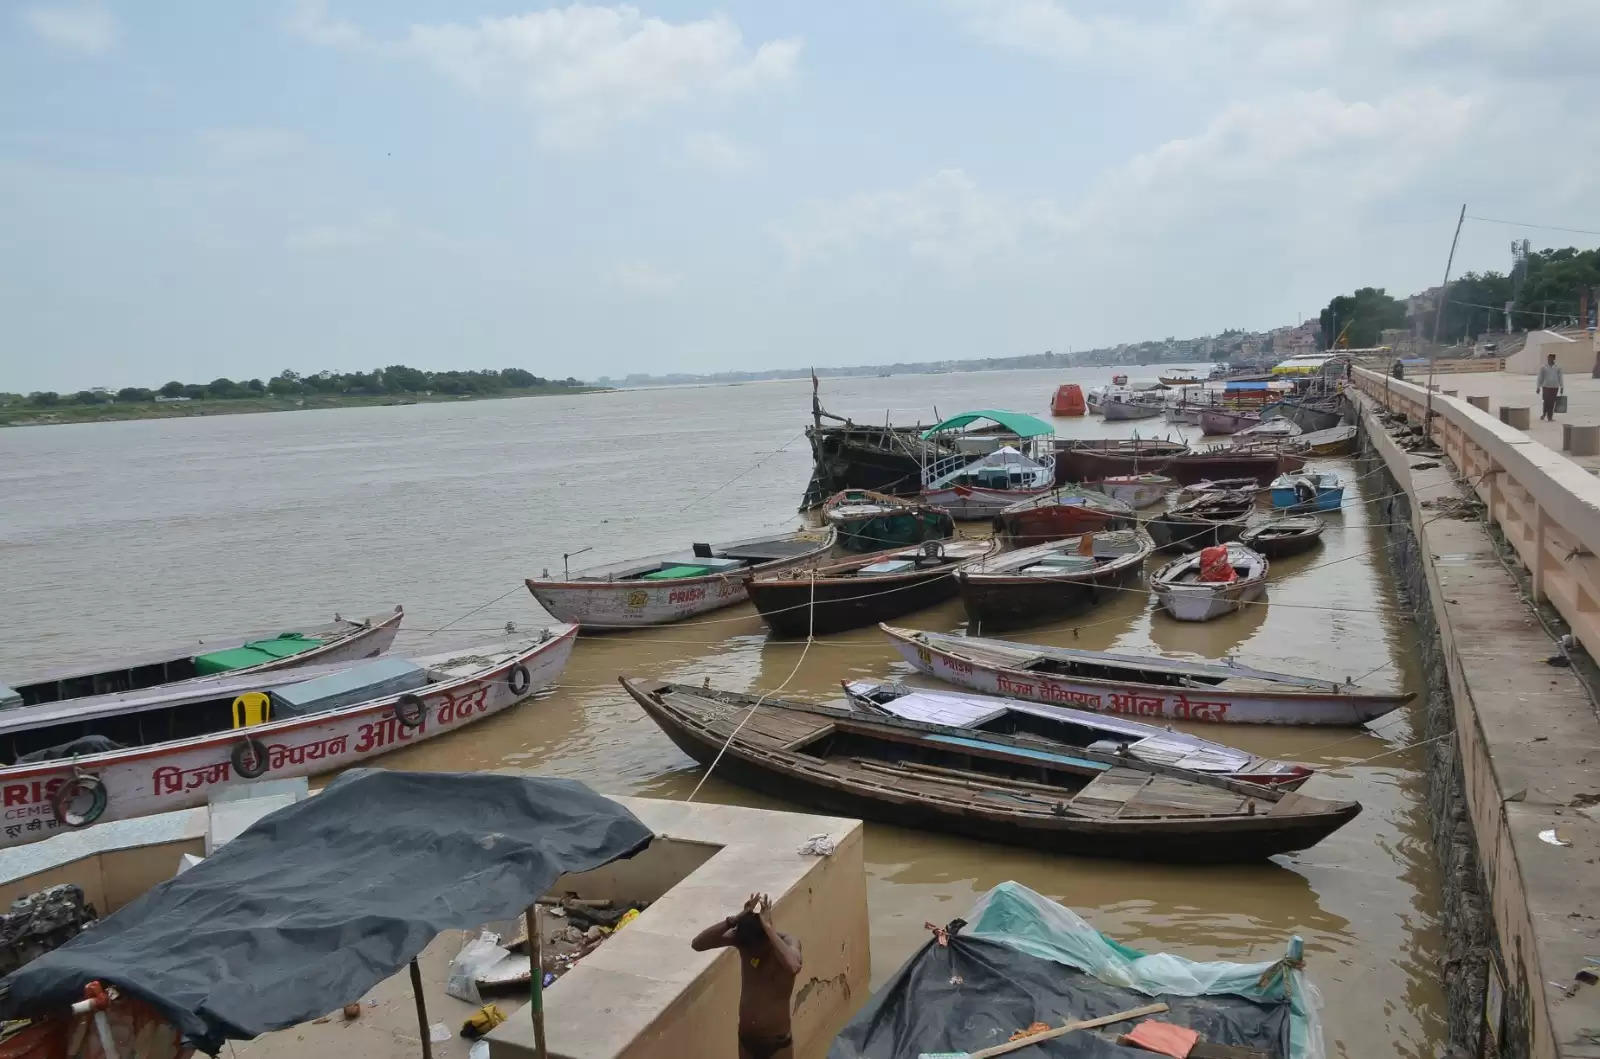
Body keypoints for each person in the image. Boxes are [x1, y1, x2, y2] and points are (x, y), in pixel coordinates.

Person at [691, 893, 803, 1059]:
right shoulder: (743, 940)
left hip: (776, 1043)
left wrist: (769, 929)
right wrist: (734, 919)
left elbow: (793, 966)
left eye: (757, 947)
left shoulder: (787, 943)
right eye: (748, 948)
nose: (752, 952)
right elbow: (698, 944)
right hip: (747, 1041)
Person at [1537, 353, 1565, 421]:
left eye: (1551, 358)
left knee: (1552, 402)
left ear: (1554, 359)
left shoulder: (1558, 367)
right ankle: (1544, 413)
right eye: (1548, 358)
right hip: (1546, 386)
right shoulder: (1543, 367)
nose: (1549, 359)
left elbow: (1560, 377)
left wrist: (1562, 386)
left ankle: (1550, 416)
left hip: (1555, 387)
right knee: (1546, 401)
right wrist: (1538, 387)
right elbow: (1540, 377)